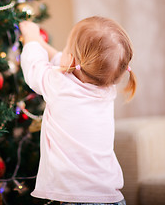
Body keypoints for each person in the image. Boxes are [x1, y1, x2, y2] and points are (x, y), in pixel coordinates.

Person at [19, 16, 136, 205]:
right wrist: (42, 42)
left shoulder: (59, 85)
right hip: (111, 198)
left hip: (76, 199)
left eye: (66, 48)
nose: (62, 53)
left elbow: (34, 66)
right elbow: (66, 63)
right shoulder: (106, 89)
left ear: (72, 60)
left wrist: (32, 38)